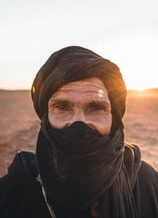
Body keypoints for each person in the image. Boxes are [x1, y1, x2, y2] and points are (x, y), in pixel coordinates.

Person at [0, 46, 158, 218]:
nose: (78, 122)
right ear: (45, 117)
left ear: (114, 118)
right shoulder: (11, 194)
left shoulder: (147, 184)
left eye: (96, 107)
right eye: (62, 107)